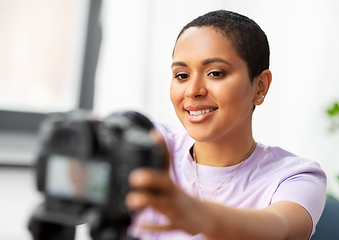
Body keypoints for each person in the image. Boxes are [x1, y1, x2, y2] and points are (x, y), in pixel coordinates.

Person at [125, 10, 326, 240]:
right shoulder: (149, 143)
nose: (193, 91)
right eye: (181, 75)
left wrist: (201, 215)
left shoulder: (295, 176)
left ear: (260, 87)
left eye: (215, 73)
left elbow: (282, 229)